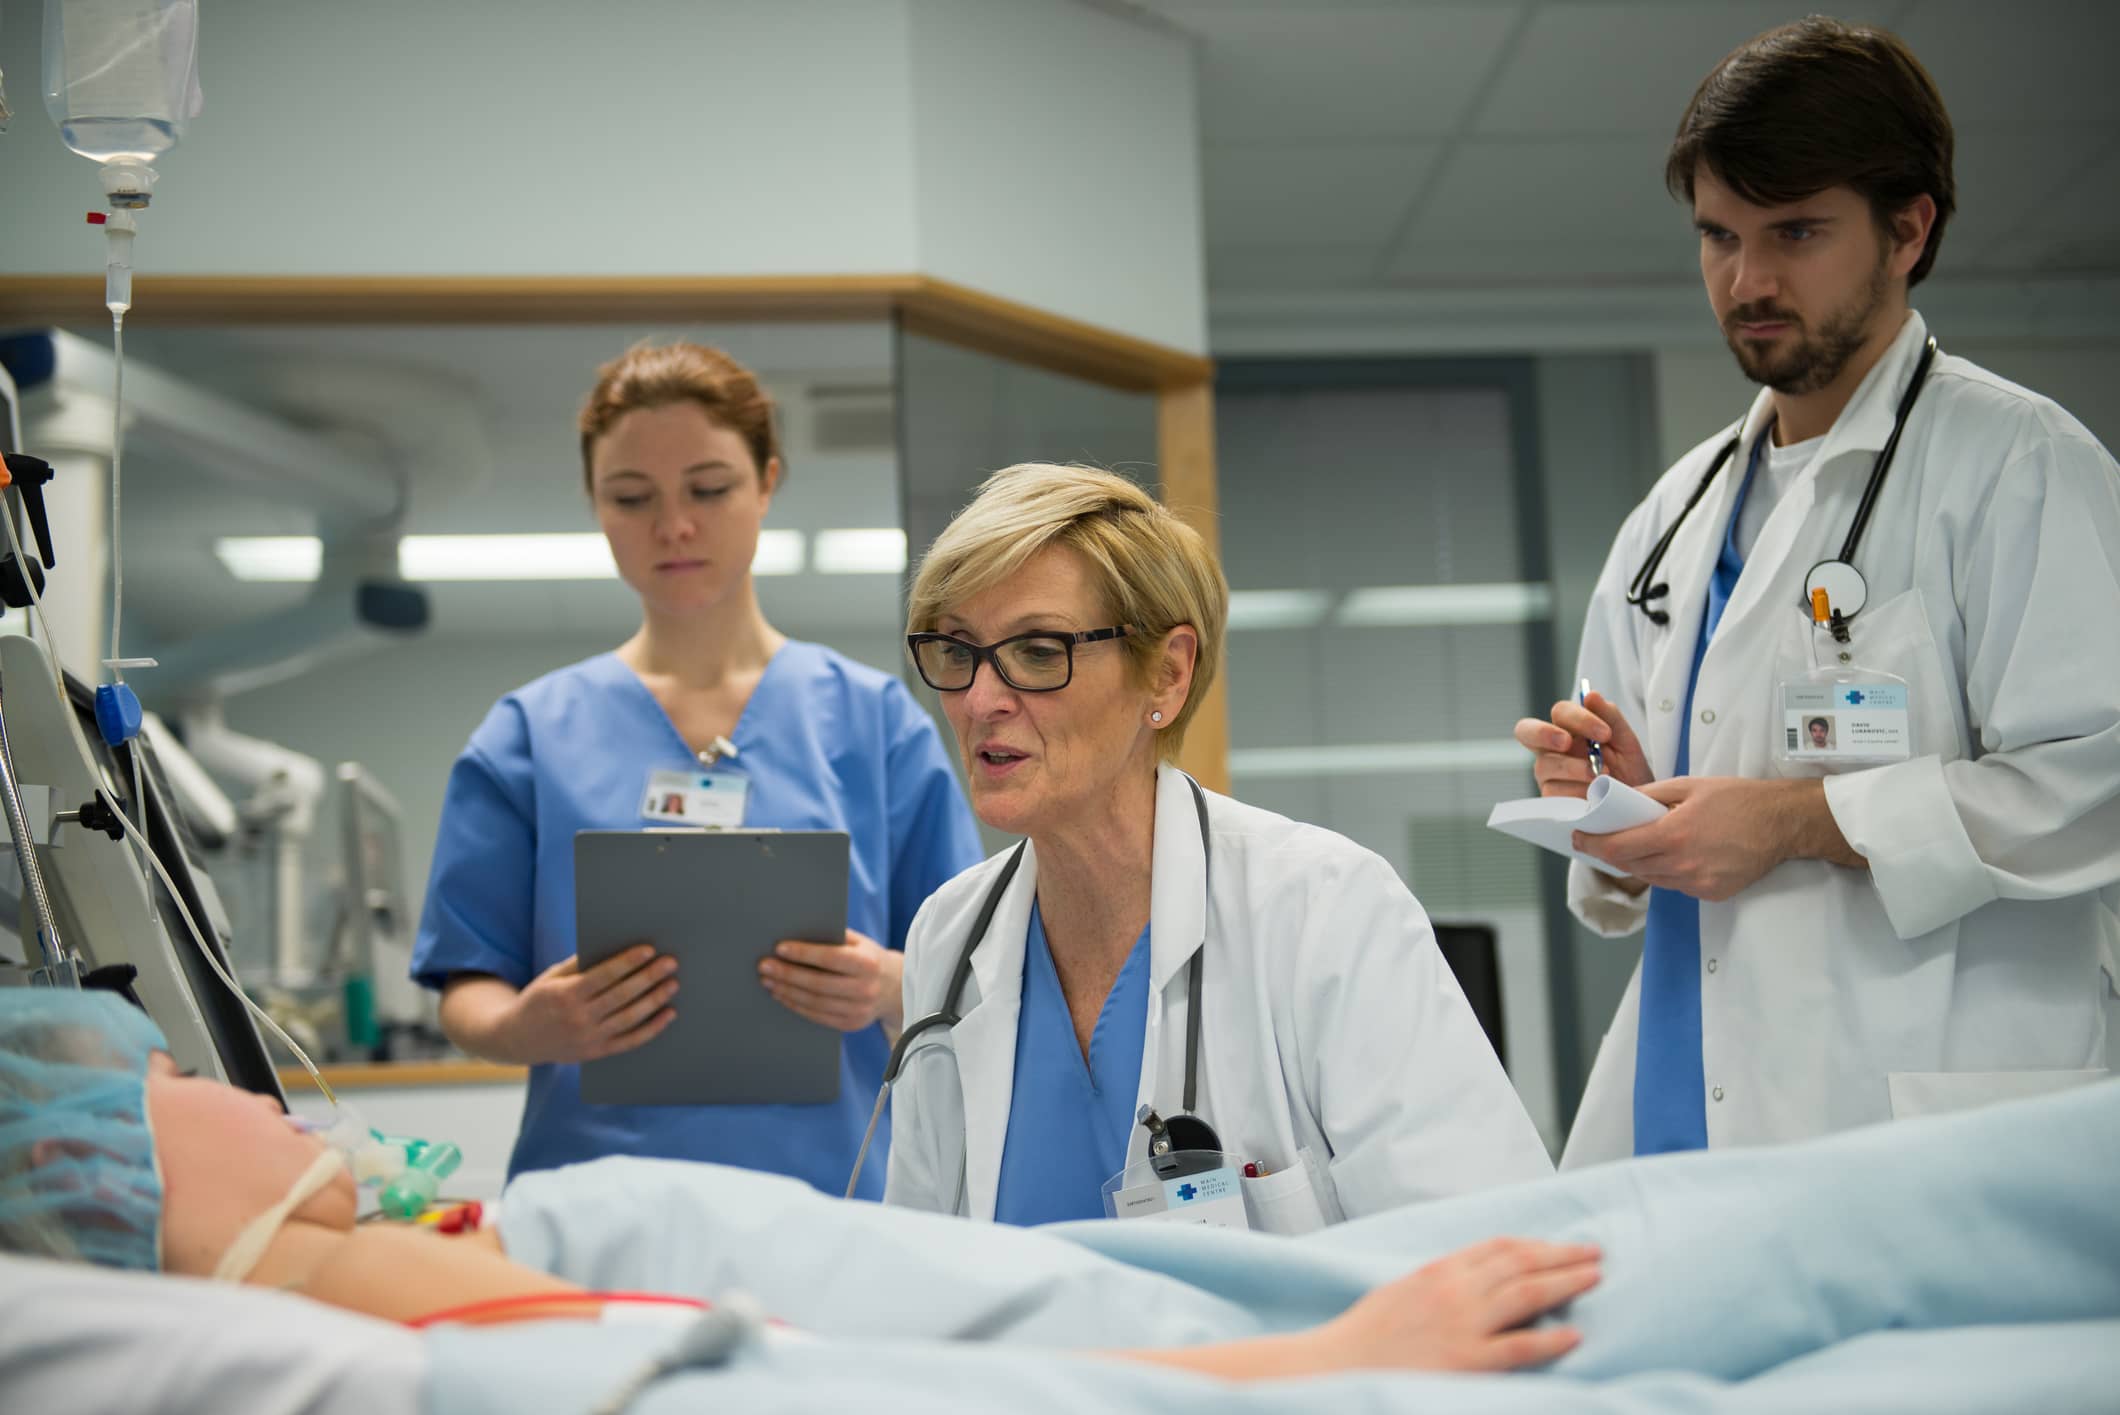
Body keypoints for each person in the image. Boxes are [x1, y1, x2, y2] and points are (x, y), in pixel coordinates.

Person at [1514, 18, 2120, 1168]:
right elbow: (1639, 869)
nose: (1746, 280)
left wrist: (1800, 820)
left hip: (1929, 1119)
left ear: (1906, 229)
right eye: (1716, 236)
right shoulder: (1673, 516)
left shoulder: (2016, 462)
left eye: (1794, 231)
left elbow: (2094, 784)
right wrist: (1617, 806)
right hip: (1682, 1101)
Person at [0, 989, 1598, 1380]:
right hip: (1287, 1349)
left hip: (1241, 1305)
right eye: (165, 1082)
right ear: (115, 1188)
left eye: (1041, 651)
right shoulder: (510, 1339)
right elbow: (889, 1391)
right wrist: (1326, 1362)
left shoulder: (483, 1267)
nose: (216, 1078)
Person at [884, 465, 1552, 1227]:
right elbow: (923, 1262)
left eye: (1038, 651)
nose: (978, 699)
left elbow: (1486, 1253)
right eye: (956, 650)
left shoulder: (1322, 910)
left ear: (1166, 673)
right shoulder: (949, 936)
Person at [411, 342, 983, 1195]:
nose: (673, 525)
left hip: (835, 1206)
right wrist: (528, 1026)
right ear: (594, 505)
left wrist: (889, 984)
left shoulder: (875, 724)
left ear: (767, 482)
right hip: (594, 1205)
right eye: (631, 497)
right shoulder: (530, 735)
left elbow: (972, 974)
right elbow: (468, 989)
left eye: (709, 489)